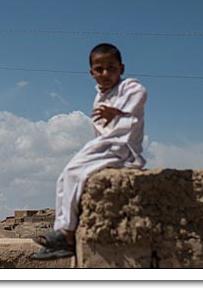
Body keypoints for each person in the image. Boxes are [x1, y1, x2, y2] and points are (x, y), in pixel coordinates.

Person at [32, 43, 147, 260]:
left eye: (111, 68)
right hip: (102, 147)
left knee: (79, 174)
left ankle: (67, 233)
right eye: (99, 69)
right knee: (65, 176)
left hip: (122, 149)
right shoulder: (99, 97)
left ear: (121, 69)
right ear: (91, 73)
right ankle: (62, 232)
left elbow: (140, 95)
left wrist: (118, 111)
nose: (105, 73)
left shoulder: (128, 87)